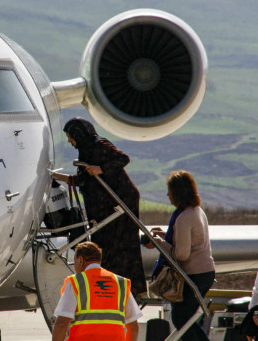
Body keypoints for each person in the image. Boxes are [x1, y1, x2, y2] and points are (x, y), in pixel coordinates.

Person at [51, 117, 146, 295]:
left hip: (119, 204)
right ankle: (110, 288)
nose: (70, 142)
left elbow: (123, 158)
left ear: (79, 134)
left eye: (71, 137)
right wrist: (55, 177)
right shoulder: (85, 151)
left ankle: (125, 290)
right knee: (103, 247)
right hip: (103, 209)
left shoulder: (100, 145)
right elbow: (81, 179)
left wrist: (100, 169)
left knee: (119, 249)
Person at [145, 170, 215, 341]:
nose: (167, 194)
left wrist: (158, 244)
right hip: (205, 272)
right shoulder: (197, 211)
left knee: (180, 319)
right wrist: (165, 236)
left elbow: (181, 254)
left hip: (193, 275)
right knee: (188, 321)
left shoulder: (184, 217)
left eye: (169, 190)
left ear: (177, 192)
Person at [52, 241, 141, 341]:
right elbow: (133, 328)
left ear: (80, 260)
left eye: (75, 261)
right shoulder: (120, 283)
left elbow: (61, 323)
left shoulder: (76, 282)